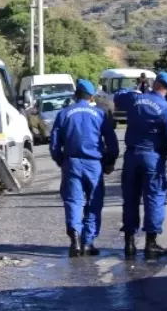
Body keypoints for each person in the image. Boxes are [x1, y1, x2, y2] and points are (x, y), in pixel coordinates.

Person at [115, 70, 167, 259]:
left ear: (155, 84)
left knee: (130, 199)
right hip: (152, 158)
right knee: (154, 197)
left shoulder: (136, 99)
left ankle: (129, 243)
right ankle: (150, 244)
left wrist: (136, 88)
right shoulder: (166, 108)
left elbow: (118, 97)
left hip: (131, 156)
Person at [50, 78, 119, 257]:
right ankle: (87, 242)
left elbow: (54, 143)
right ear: (91, 97)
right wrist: (110, 162)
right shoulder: (100, 114)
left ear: (75, 95)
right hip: (94, 164)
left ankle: (74, 237)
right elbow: (112, 142)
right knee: (93, 202)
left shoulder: (64, 113)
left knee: (73, 201)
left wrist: (60, 160)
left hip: (71, 163)